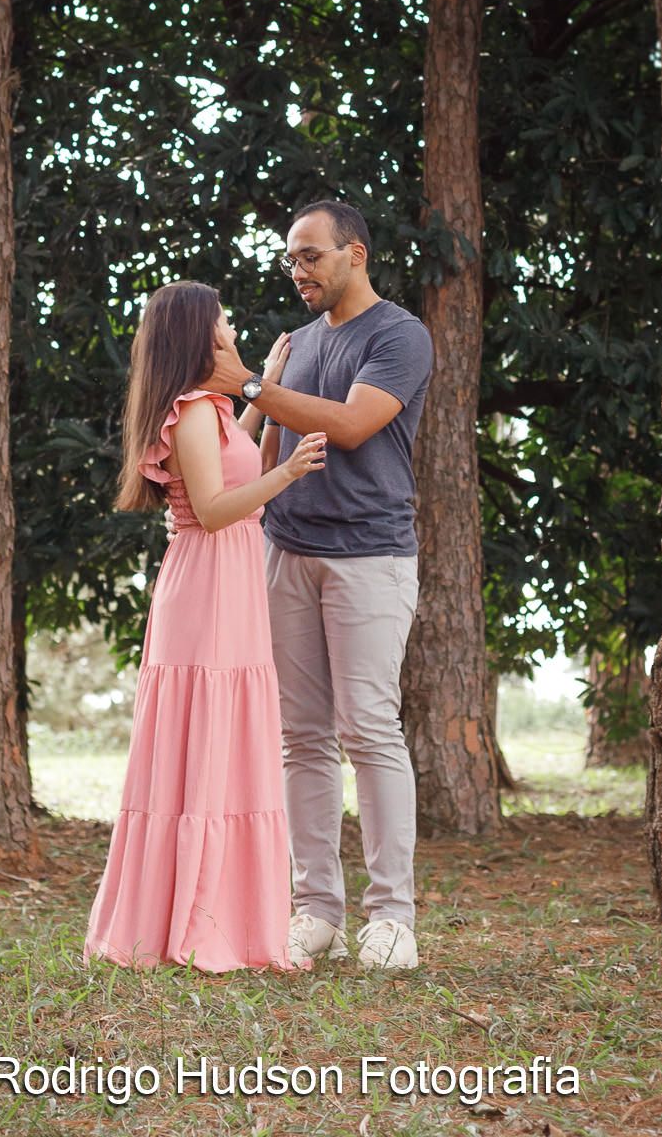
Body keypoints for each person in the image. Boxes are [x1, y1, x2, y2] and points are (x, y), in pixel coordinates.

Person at [205, 198, 433, 974]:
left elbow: (352, 425)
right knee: (299, 739)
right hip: (287, 554)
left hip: (371, 558)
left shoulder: (399, 335)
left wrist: (251, 388)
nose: (297, 270)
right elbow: (264, 457)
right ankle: (316, 913)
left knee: (369, 730)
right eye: (289, 258)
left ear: (355, 255)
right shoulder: (291, 345)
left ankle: (393, 919)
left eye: (311, 256)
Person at [84, 280, 327, 973]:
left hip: (227, 581)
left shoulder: (212, 411)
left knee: (223, 740)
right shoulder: (190, 411)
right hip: (207, 585)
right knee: (204, 736)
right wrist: (288, 475)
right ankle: (191, 920)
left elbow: (227, 462)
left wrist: (264, 389)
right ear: (199, 332)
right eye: (221, 317)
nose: (229, 324)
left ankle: (222, 912)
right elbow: (218, 508)